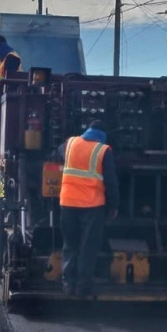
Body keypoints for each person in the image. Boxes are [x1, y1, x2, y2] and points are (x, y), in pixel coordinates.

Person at [58, 121, 119, 296]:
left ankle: (68, 285)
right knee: (87, 247)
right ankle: (83, 287)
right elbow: (111, 181)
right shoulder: (103, 150)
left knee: (70, 245)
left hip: (68, 204)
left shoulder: (70, 143)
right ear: (102, 135)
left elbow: (58, 152)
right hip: (92, 206)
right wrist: (113, 206)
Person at [0, 34, 22, 99]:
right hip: (0, 97)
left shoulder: (11, 57)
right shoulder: (1, 63)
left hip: (9, 97)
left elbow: (10, 78)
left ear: (3, 45)